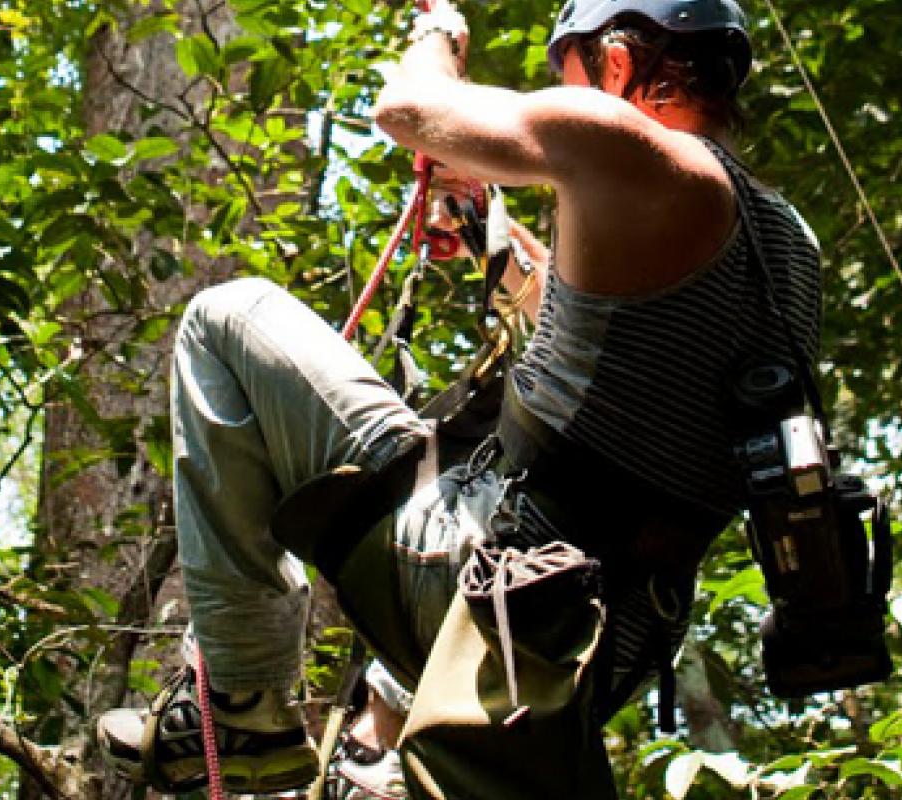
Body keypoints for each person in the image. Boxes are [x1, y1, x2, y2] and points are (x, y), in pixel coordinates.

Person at [99, 0, 823, 795]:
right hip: (594, 644)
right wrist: (487, 226)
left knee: (225, 318)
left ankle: (239, 703)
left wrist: (438, 34)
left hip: (477, 581)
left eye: (568, 74)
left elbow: (408, 109)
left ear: (616, 62)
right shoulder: (784, 242)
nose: (566, 91)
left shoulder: (629, 146)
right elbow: (602, 352)